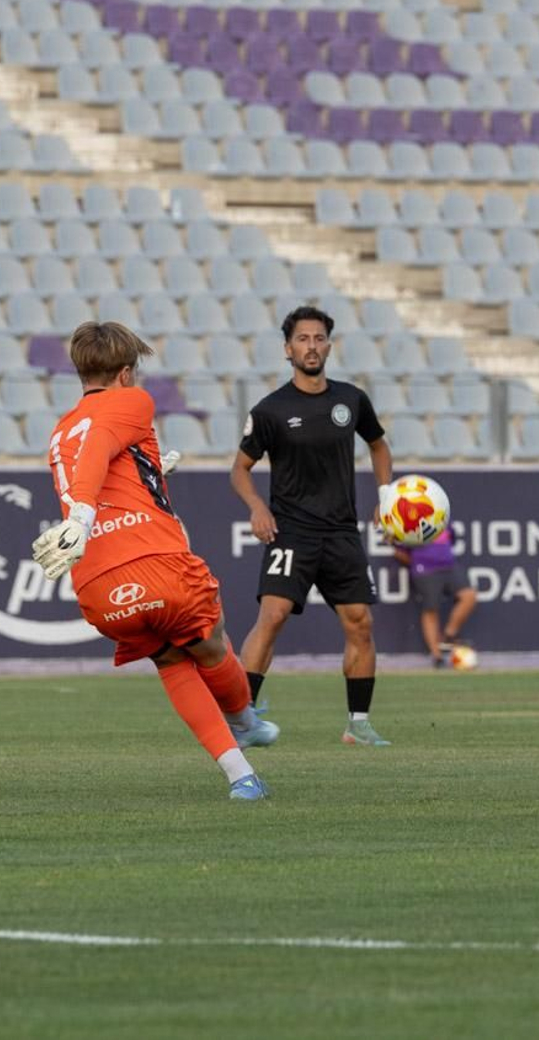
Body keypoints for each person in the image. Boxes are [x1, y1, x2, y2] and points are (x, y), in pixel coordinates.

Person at [29, 320, 277, 802]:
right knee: (210, 641)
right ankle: (245, 720)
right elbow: (100, 448)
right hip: (157, 564)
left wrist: (150, 473)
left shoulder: (60, 433)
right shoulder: (133, 402)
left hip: (97, 586)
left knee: (169, 661)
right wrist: (80, 516)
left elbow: (98, 464)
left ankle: (241, 776)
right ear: (125, 373)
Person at [230, 305, 395, 746]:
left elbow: (379, 447)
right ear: (288, 349)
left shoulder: (351, 400)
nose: (311, 346)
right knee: (273, 615)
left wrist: (386, 495)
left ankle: (358, 724)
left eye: (319, 338)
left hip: (341, 532)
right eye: (302, 339)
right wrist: (257, 509)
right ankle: (241, 720)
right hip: (292, 531)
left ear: (329, 345)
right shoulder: (271, 409)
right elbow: (240, 469)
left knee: (360, 622)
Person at [392, 527, 477, 668]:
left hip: (449, 565)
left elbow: (451, 538)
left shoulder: (441, 513)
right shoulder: (408, 520)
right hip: (425, 570)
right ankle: (437, 656)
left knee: (469, 596)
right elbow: (398, 551)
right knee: (431, 608)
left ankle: (449, 636)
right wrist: (419, 563)